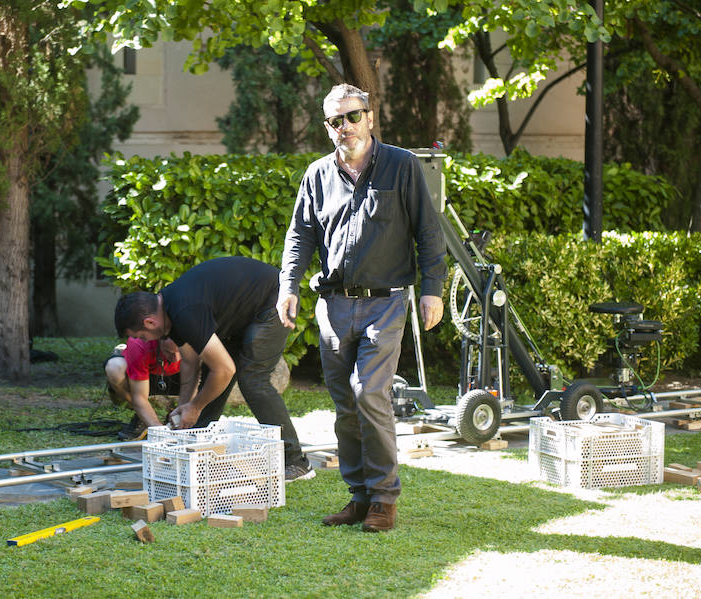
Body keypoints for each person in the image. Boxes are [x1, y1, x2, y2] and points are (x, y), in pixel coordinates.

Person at [277, 83, 446, 532]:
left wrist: (433, 288)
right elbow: (300, 236)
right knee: (345, 407)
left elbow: (429, 232)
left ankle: (384, 499)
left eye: (353, 116)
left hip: (385, 304)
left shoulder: (402, 166)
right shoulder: (316, 175)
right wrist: (287, 285)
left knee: (369, 394)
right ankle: (358, 497)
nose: (345, 127)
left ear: (370, 117)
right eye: (336, 120)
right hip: (333, 308)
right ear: (327, 126)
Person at [114, 256, 315, 482]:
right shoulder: (170, 310)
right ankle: (193, 446)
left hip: (273, 300)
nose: (146, 341)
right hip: (246, 314)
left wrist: (196, 406)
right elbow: (191, 363)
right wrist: (184, 410)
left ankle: (296, 462)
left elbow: (226, 370)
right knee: (213, 374)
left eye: (142, 336)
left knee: (252, 380)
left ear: (150, 322)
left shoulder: (184, 311)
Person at [105, 337, 182, 440]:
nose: (176, 358)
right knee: (115, 367)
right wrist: (159, 430)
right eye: (169, 352)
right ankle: (144, 416)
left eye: (180, 351)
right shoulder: (140, 342)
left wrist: (187, 410)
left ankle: (179, 417)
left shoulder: (197, 339)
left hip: (178, 376)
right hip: (145, 377)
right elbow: (139, 396)